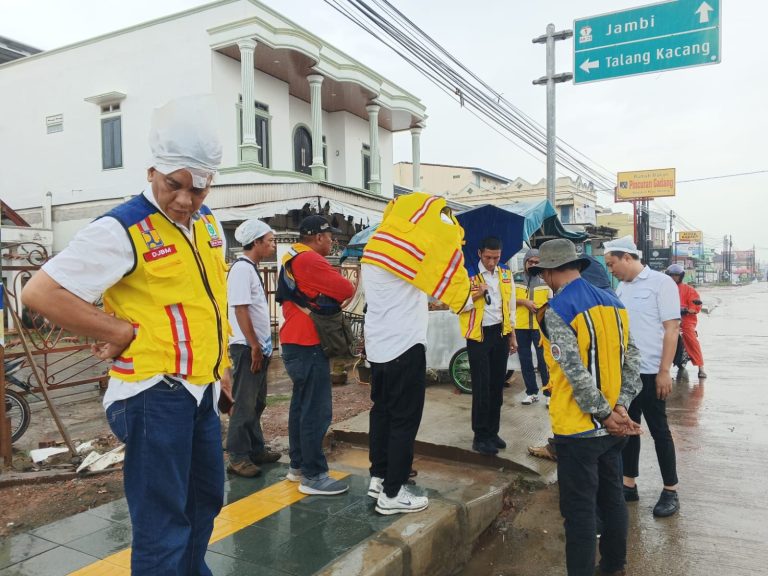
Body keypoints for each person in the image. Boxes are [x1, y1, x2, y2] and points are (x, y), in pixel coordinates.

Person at [21, 95, 231, 575]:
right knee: (162, 524)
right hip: (153, 394)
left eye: (198, 190)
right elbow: (40, 292)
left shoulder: (207, 226)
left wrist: (224, 370)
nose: (185, 199)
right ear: (152, 171)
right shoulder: (123, 228)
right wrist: (116, 328)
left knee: (204, 504)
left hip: (200, 390)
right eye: (174, 185)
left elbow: (209, 305)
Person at [531, 239, 642, 576]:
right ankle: (613, 568)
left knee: (579, 512)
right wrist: (621, 405)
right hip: (613, 429)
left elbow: (574, 372)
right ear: (576, 266)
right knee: (612, 501)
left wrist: (605, 414)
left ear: (550, 272)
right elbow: (633, 360)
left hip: (579, 430)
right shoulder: (614, 304)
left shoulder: (558, 310)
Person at [361, 192, 471, 515]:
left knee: (381, 414)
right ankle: (393, 494)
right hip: (404, 347)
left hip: (379, 349)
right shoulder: (407, 252)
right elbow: (449, 285)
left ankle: (379, 477)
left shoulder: (375, 247)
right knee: (404, 421)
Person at [276, 215, 355, 495]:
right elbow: (347, 289)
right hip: (308, 344)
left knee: (301, 407)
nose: (333, 240)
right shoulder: (310, 260)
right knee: (316, 411)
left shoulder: (291, 257)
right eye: (330, 236)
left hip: (293, 342)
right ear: (318, 237)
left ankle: (297, 466)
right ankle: (314, 475)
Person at [604, 235, 682, 518]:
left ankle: (670, 490)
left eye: (612, 264)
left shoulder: (662, 284)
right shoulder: (621, 288)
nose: (611, 270)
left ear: (627, 257)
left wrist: (665, 371)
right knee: (628, 428)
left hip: (651, 373)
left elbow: (671, 330)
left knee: (659, 431)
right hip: (627, 374)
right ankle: (629, 484)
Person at [225, 219, 281, 478]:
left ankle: (255, 448)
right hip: (247, 347)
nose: (272, 245)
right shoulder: (241, 270)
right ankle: (237, 457)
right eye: (269, 240)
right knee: (244, 405)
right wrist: (254, 345)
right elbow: (240, 309)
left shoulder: (251, 268)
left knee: (257, 403)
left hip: (258, 347)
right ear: (256, 242)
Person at [459, 236, 518, 455]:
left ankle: (493, 432)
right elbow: (456, 305)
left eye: (496, 257)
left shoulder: (505, 273)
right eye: (488, 257)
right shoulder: (468, 274)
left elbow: (510, 305)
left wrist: (512, 335)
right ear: (479, 254)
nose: (492, 262)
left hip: (500, 333)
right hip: (479, 336)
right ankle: (480, 435)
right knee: (481, 387)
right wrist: (477, 294)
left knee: (497, 386)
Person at [514, 248, 550, 406]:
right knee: (525, 360)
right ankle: (531, 392)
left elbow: (552, 301)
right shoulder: (515, 279)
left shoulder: (546, 279)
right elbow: (506, 300)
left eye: (537, 262)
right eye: (531, 262)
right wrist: (524, 302)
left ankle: (549, 393)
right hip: (520, 325)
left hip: (540, 326)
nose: (534, 265)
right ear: (525, 262)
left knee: (544, 361)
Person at [665, 263, 706, 379]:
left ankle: (701, 367)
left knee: (691, 338)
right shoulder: (663, 289)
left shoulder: (688, 290)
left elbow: (695, 302)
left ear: (681, 276)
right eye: (672, 275)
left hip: (685, 319)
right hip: (668, 318)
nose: (674, 278)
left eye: (676, 276)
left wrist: (691, 309)